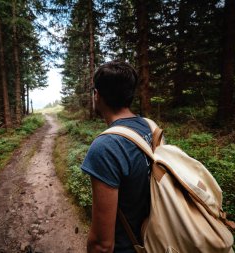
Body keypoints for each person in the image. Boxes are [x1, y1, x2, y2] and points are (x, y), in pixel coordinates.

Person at [81, 60, 153, 253]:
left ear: (97, 95)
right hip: (155, 240)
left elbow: (102, 245)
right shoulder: (149, 127)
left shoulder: (106, 147)